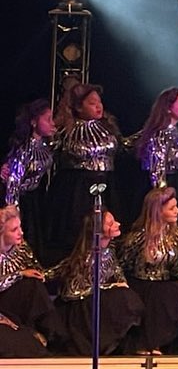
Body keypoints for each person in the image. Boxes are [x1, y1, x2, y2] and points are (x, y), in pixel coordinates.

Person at [51, 207, 144, 356]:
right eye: (111, 223)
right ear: (98, 231)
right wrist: (110, 287)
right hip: (81, 308)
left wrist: (120, 285)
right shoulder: (86, 258)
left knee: (128, 298)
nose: (118, 224)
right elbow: (73, 292)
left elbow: (117, 273)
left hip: (98, 300)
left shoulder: (109, 252)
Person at [47, 83, 122, 258]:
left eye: (99, 102)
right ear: (79, 107)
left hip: (106, 184)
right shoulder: (66, 131)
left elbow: (124, 146)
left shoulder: (109, 128)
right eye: (92, 103)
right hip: (77, 188)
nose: (98, 106)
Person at [119, 187, 178, 360]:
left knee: (174, 292)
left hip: (164, 282)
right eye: (172, 208)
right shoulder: (137, 238)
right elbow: (122, 264)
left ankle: (159, 342)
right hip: (141, 282)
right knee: (158, 295)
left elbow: (173, 267)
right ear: (158, 211)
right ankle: (145, 343)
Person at [2, 99, 57, 263]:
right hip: (22, 200)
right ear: (34, 122)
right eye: (47, 119)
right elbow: (13, 182)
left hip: (36, 197)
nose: (52, 123)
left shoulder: (45, 145)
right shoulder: (24, 150)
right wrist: (13, 211)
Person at [0, 205, 60, 348]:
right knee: (30, 285)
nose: (21, 232)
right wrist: (19, 274)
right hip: (2, 303)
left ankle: (52, 332)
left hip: (18, 301)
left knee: (34, 284)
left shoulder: (22, 249)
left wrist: (65, 268)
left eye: (20, 227)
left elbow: (39, 271)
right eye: (14, 230)